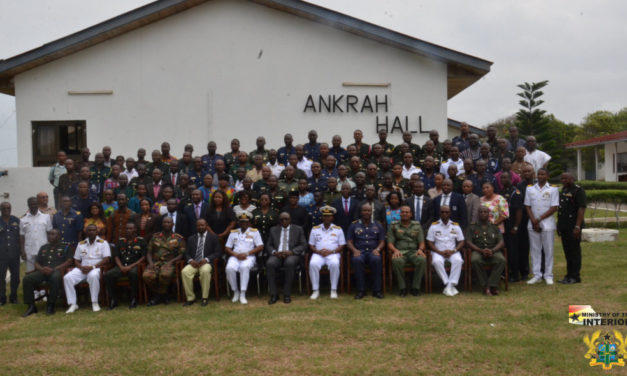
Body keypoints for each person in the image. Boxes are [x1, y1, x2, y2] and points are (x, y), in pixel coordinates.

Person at [21, 229, 72, 316]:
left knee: (55, 278)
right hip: (43, 271)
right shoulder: (43, 247)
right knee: (27, 279)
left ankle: (51, 305)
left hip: (57, 271)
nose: (50, 236)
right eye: (49, 234)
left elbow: (69, 261)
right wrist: (41, 269)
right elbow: (37, 262)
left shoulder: (65, 247)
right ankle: (31, 306)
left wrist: (54, 269)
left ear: (59, 236)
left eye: (53, 234)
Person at [64, 224, 111, 313]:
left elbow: (106, 259)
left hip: (96, 268)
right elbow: (76, 260)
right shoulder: (81, 244)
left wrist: (92, 267)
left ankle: (94, 302)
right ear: (86, 232)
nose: (91, 232)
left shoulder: (103, 243)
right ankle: (73, 304)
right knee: (67, 277)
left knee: (93, 276)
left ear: (97, 231)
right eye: (89, 230)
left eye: (93, 230)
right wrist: (81, 267)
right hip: (83, 268)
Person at [524, 168, 558, 285]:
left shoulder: (553, 189)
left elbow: (554, 207)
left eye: (543, 174)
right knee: (535, 250)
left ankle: (548, 275)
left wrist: (538, 219)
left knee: (548, 250)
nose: (540, 176)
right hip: (532, 223)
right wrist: (534, 221)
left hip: (547, 224)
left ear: (547, 176)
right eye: (539, 174)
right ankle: (536, 275)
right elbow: (527, 206)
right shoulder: (530, 189)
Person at [265, 212, 308, 304]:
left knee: (289, 263)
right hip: (277, 255)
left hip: (292, 254)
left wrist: (292, 252)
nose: (284, 221)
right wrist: (274, 252)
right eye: (282, 219)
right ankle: (274, 294)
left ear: (290, 220)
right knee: (270, 263)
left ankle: (287, 294)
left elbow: (303, 244)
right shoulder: (273, 230)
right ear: (279, 220)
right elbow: (268, 245)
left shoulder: (298, 229)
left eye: (286, 219)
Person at [143, 216, 185, 305]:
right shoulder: (155, 237)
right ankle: (162, 294)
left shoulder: (178, 238)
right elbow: (149, 252)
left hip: (169, 263)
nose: (166, 224)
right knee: (146, 276)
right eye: (165, 222)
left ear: (173, 224)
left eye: (169, 222)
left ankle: (157, 297)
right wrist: (150, 263)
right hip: (155, 263)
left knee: (165, 274)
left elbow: (181, 254)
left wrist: (171, 262)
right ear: (162, 224)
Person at [104, 222, 146, 309]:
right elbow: (116, 256)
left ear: (135, 230)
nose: (128, 230)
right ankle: (113, 300)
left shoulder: (141, 241)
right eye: (127, 229)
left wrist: (130, 267)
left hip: (134, 265)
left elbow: (143, 257)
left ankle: (133, 299)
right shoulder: (120, 241)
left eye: (130, 228)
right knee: (108, 275)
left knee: (133, 274)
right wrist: (121, 266)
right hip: (121, 266)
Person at [347, 204, 385, 299]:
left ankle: (376, 291)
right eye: (364, 210)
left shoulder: (378, 225)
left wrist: (378, 249)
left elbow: (382, 241)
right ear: (361, 212)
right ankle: (361, 290)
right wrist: (354, 250)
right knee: (357, 260)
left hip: (373, 251)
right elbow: (349, 241)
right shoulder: (354, 225)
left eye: (368, 211)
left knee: (376, 260)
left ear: (371, 212)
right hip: (360, 251)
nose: (366, 212)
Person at [224, 213, 264, 305]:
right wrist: (236, 255)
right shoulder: (233, 232)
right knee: (229, 268)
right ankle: (235, 291)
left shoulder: (254, 232)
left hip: (248, 256)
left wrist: (246, 253)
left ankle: (243, 293)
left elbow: (260, 246)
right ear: (239, 222)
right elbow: (227, 248)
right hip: (235, 256)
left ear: (249, 222)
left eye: (245, 222)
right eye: (241, 222)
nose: (243, 224)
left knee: (244, 267)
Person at [466, 206, 506, 296]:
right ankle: (486, 286)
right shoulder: (472, 227)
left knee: (501, 260)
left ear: (489, 214)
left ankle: (492, 285)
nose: (483, 214)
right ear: (478, 214)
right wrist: (480, 250)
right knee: (475, 260)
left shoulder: (494, 227)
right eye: (481, 212)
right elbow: (468, 242)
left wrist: (492, 250)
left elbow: (501, 242)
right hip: (478, 250)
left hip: (493, 250)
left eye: (485, 212)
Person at [388, 205, 427, 297]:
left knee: (422, 260)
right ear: (399, 214)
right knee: (396, 261)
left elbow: (422, 242)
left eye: (407, 212)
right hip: (400, 252)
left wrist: (420, 249)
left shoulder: (417, 225)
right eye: (402, 212)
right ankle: (402, 288)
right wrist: (395, 251)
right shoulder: (394, 226)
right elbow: (390, 243)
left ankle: (415, 288)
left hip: (414, 252)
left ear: (411, 214)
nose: (404, 214)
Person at [308, 206, 346, 300]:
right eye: (325, 216)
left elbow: (342, 245)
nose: (327, 218)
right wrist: (318, 251)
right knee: (313, 264)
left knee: (334, 263)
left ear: (332, 217)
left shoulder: (338, 229)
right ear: (322, 217)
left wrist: (331, 251)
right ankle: (315, 290)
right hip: (318, 254)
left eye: (329, 216)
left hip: (333, 254)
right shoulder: (315, 229)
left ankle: (333, 290)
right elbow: (311, 245)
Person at [182, 219, 221, 306]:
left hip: (206, 263)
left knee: (205, 271)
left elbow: (218, 252)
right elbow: (186, 253)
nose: (200, 227)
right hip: (194, 263)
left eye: (202, 225)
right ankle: (190, 298)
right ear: (196, 227)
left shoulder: (213, 237)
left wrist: (206, 259)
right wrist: (190, 260)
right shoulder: (191, 238)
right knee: (185, 272)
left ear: (206, 226)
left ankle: (204, 297)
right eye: (198, 225)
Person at [557, 172, 586, 284]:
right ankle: (568, 275)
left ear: (572, 179)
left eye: (565, 178)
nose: (563, 180)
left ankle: (575, 276)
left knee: (574, 251)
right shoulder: (563, 191)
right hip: (564, 226)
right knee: (567, 252)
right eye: (562, 178)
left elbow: (581, 209)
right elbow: (561, 210)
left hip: (573, 226)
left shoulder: (578, 191)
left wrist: (577, 226)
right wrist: (559, 225)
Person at [499, 172, 524, 282]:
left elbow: (519, 211)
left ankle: (515, 274)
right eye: (502, 178)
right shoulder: (501, 192)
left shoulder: (515, 192)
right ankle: (506, 272)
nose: (504, 179)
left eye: (506, 177)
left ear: (511, 179)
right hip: (503, 225)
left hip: (512, 225)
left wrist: (516, 227)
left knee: (513, 250)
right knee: (506, 250)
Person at [20, 197, 52, 274]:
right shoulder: (23, 220)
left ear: (38, 204)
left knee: (44, 272)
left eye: (35, 204)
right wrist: (22, 251)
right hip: (29, 250)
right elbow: (21, 237)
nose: (33, 206)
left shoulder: (46, 217)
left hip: (43, 249)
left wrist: (51, 248)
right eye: (31, 204)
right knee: (30, 273)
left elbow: (50, 234)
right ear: (28, 205)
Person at [0, 202, 21, 305]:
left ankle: (13, 297)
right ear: (1, 209)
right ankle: (2, 298)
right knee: (1, 277)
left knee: (16, 277)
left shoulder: (16, 220)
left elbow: (20, 237)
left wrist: (21, 251)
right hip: (1, 255)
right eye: (4, 208)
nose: (6, 210)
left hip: (14, 253)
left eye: (8, 208)